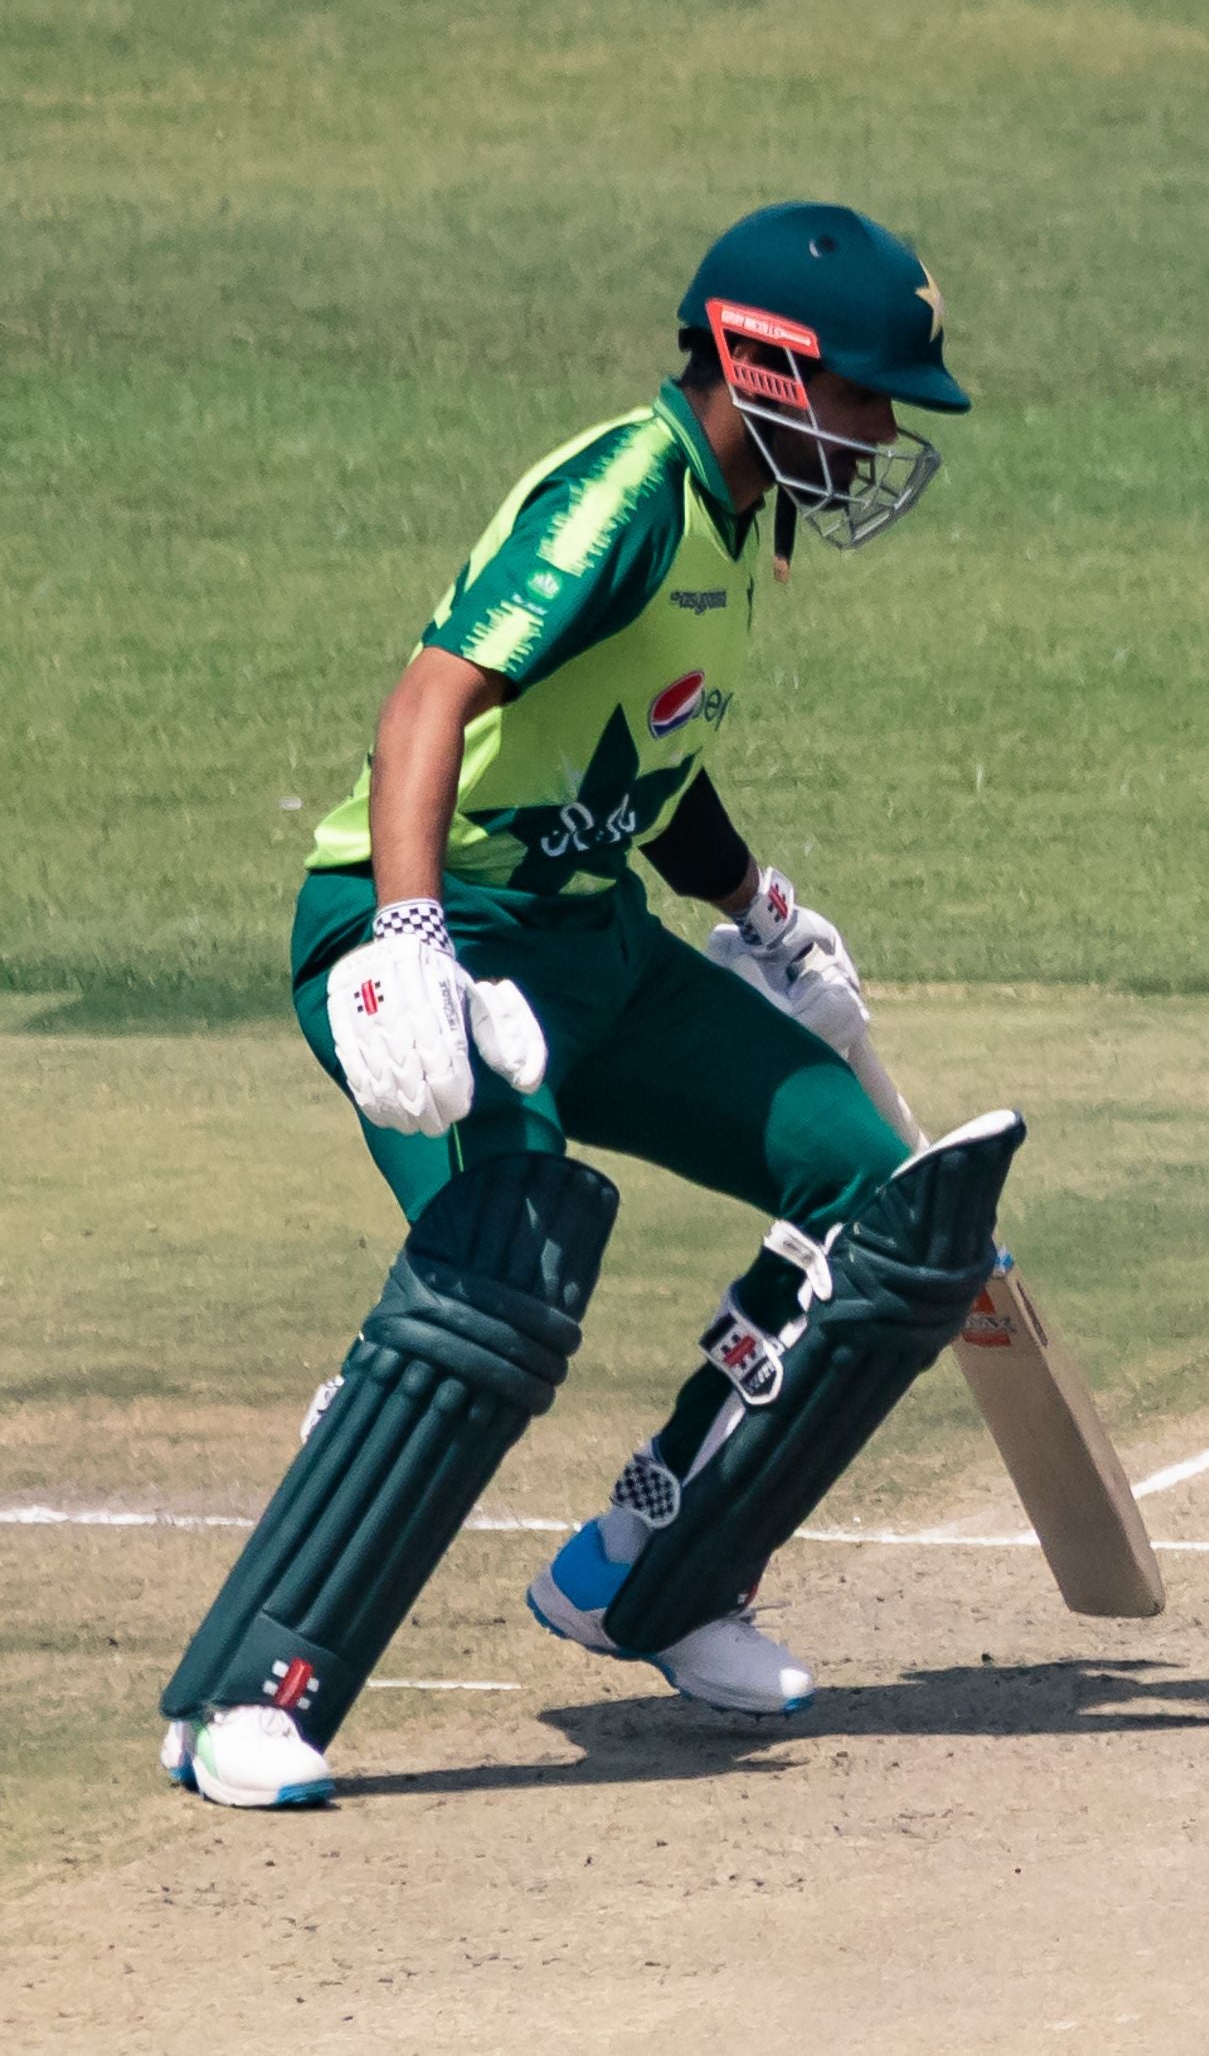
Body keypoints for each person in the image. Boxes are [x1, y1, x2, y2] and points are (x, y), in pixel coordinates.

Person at [157, 203, 1027, 1811]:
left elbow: (642, 752)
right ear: (762, 367)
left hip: (589, 943)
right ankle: (248, 1698)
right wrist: (408, 932)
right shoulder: (627, 493)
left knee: (884, 1201)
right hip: (428, 929)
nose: (883, 434)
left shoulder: (735, 516)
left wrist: (754, 905)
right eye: (866, 397)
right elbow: (432, 698)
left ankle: (655, 1574)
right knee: (502, 1281)